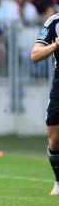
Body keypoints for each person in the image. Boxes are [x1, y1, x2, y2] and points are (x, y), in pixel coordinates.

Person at [31, 13, 59, 196]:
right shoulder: (54, 22)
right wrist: (56, 46)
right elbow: (34, 55)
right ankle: (58, 181)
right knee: (55, 138)